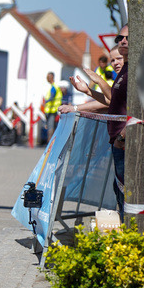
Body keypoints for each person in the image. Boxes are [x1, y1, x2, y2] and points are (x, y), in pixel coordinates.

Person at [60, 24, 129, 219]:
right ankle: (126, 227)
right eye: (112, 59)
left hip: (124, 140)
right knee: (119, 188)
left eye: (118, 59)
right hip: (117, 139)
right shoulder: (120, 76)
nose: (115, 63)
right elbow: (109, 102)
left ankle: (131, 231)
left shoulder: (130, 73)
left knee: (125, 191)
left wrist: (98, 81)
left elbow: (112, 102)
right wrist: (85, 94)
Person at [42, 72, 63, 144]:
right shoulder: (53, 86)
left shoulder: (54, 87)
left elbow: (52, 96)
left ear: (52, 77)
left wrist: (46, 102)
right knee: (52, 127)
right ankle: (51, 143)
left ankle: (50, 144)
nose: (47, 78)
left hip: (52, 111)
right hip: (51, 110)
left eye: (48, 77)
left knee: (50, 128)